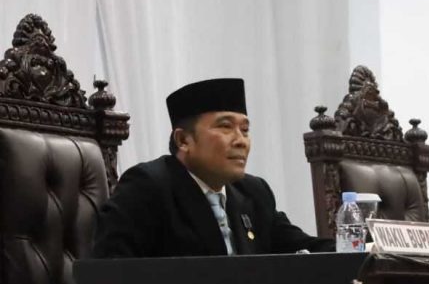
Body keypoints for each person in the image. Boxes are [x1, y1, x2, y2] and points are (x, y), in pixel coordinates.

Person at [93, 78, 334, 258]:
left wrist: (354, 249)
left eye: (245, 130)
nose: (241, 140)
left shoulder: (253, 192)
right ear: (183, 140)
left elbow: (304, 247)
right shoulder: (147, 187)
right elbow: (113, 273)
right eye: (225, 127)